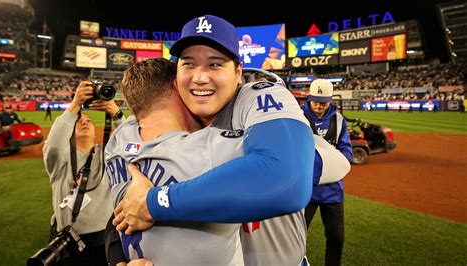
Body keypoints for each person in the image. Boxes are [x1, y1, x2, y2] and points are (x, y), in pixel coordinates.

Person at [110, 14, 317, 266]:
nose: (199, 77)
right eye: (188, 64)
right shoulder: (145, 125)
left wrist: (154, 202)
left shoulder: (256, 99)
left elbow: (287, 180)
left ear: (238, 72)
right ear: (175, 77)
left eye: (215, 64)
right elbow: (124, 202)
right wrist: (119, 258)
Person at [43, 81, 125, 265]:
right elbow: (55, 145)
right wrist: (75, 106)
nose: (86, 122)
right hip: (66, 240)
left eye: (88, 120)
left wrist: (117, 115)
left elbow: (128, 146)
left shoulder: (107, 154)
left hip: (102, 239)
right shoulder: (61, 160)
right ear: (70, 131)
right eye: (80, 121)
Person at [301, 79, 352, 266]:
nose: (319, 106)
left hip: (333, 191)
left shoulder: (339, 120)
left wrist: (337, 166)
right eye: (316, 102)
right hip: (306, 190)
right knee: (296, 238)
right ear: (309, 99)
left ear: (330, 100)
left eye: (323, 102)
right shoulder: (298, 116)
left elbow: (346, 149)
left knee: (337, 238)